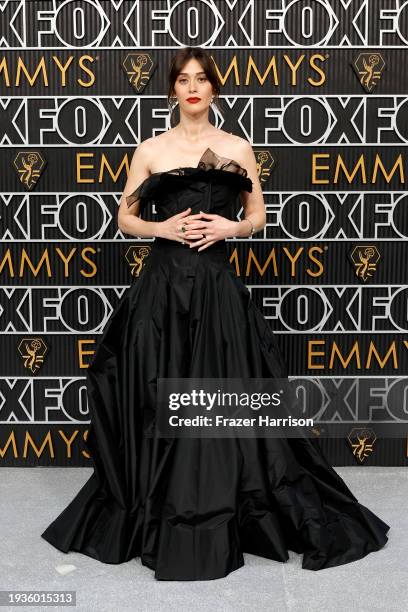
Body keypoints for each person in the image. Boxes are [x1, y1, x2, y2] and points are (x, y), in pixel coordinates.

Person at [41, 46, 389, 581]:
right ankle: (157, 502)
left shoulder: (237, 147)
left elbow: (259, 215)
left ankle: (221, 497)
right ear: (173, 91)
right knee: (157, 390)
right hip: (160, 293)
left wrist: (228, 229)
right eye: (183, 80)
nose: (193, 88)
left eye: (201, 79)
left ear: (214, 89)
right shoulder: (151, 149)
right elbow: (124, 218)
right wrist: (163, 228)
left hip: (217, 289)